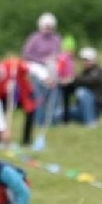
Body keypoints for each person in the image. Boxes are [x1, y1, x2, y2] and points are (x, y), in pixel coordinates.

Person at [21, 12, 62, 144]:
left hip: (51, 67)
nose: (48, 29)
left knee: (54, 91)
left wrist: (52, 61)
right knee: (39, 96)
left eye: (50, 27)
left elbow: (59, 54)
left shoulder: (56, 39)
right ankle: (39, 120)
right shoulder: (34, 38)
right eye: (46, 26)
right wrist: (42, 60)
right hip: (37, 67)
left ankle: (53, 119)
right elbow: (27, 55)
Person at [67, 47, 102, 127]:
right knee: (61, 113)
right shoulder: (84, 73)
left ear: (94, 60)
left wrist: (74, 79)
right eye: (84, 60)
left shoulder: (98, 71)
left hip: (96, 106)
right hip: (81, 108)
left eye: (88, 60)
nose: (86, 62)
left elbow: (89, 80)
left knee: (82, 92)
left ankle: (90, 122)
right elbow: (75, 85)